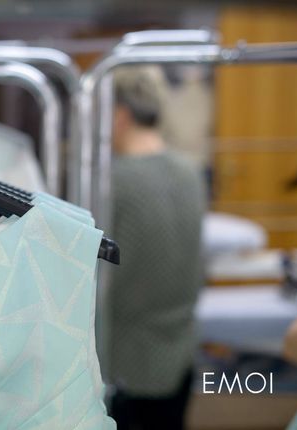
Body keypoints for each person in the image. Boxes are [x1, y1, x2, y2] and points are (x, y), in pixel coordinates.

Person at [106, 66, 206, 430]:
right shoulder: (189, 172)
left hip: (128, 363)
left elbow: (102, 280)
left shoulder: (115, 182)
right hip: (181, 354)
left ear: (120, 116)